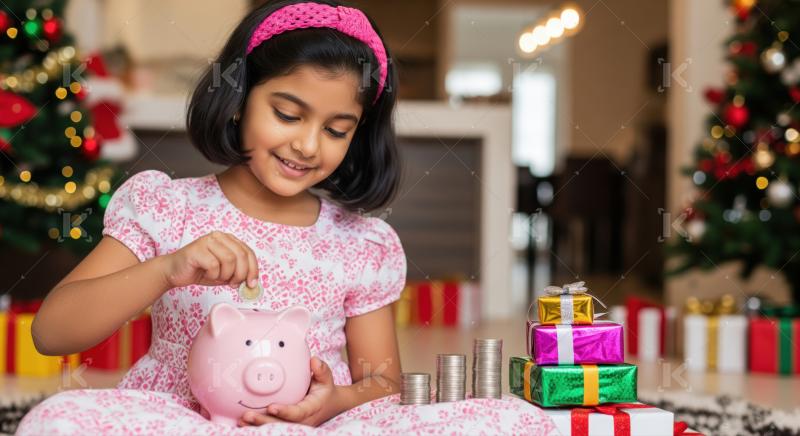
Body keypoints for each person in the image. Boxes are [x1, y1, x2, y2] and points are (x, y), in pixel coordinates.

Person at [17, 1, 555, 433]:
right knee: (55, 420)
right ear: (238, 99)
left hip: (312, 428)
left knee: (513, 420)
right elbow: (52, 331)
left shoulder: (360, 243)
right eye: (287, 114)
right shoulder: (167, 208)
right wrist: (167, 269)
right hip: (181, 422)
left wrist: (333, 402)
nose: (307, 145)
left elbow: (382, 385)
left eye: (336, 129)